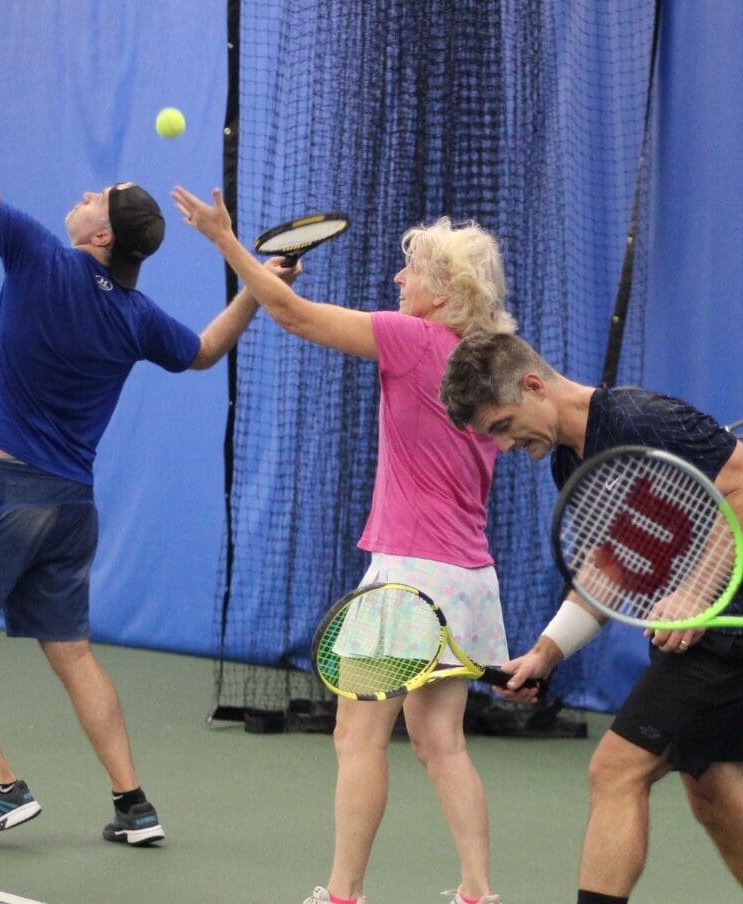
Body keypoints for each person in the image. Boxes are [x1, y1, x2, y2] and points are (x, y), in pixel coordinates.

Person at [0, 30, 294, 848]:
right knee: (72, 654)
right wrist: (259, 290)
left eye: (101, 196)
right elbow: (203, 352)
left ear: (100, 237)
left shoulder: (41, 260)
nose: (89, 193)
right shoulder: (134, 317)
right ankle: (134, 805)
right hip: (71, 507)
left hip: (3, 497)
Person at [173, 186, 518, 904]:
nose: (399, 280)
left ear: (445, 290)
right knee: (442, 743)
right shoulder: (495, 362)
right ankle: (480, 893)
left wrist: (227, 244)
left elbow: (293, 315)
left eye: (412, 269)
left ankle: (341, 895)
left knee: (357, 739)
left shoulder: (415, 339)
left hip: (407, 581)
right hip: (470, 581)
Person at [440, 332, 743, 904]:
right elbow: (612, 567)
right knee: (718, 799)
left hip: (734, 627)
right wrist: (547, 651)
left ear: (533, 385)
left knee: (614, 772)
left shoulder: (641, 418)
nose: (506, 444)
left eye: (502, 425)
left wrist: (693, 593)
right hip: (691, 635)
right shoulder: (571, 461)